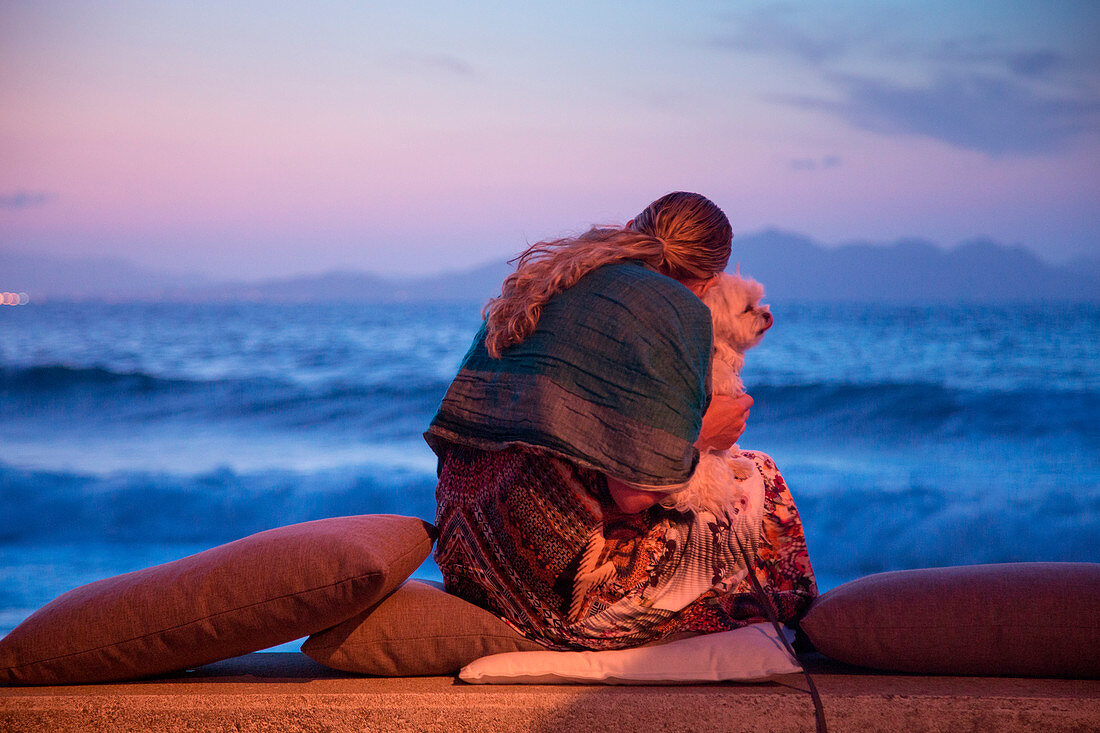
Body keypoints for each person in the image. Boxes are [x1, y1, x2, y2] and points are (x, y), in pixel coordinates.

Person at [426, 192, 816, 650]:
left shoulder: (549, 279)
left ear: (633, 225)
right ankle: (792, 622)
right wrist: (704, 435)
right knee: (759, 477)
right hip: (550, 595)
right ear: (711, 277)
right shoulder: (675, 311)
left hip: (465, 559)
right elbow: (631, 495)